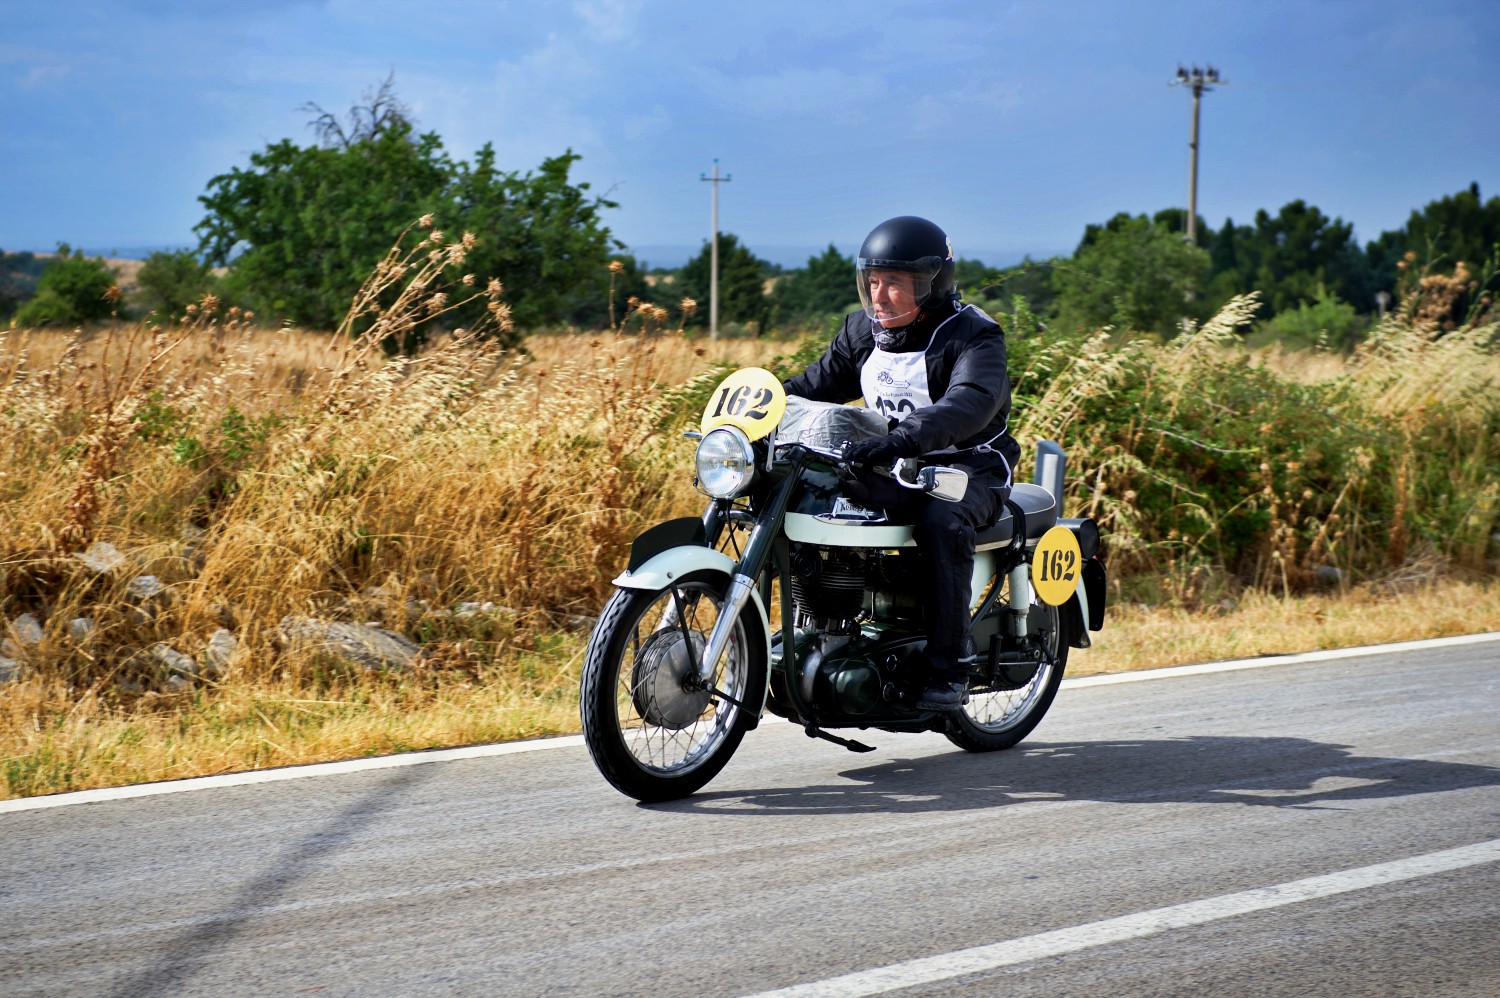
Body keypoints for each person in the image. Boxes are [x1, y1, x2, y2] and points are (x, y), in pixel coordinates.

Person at [782, 215, 1020, 711]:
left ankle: (949, 666)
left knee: (941, 520)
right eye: (873, 281)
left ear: (932, 284)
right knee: (805, 492)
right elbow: (808, 387)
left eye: (895, 282)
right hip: (890, 463)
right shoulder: (862, 333)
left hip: (968, 468)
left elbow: (968, 404)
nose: (880, 295)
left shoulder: (974, 337)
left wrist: (902, 440)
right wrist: (752, 408)